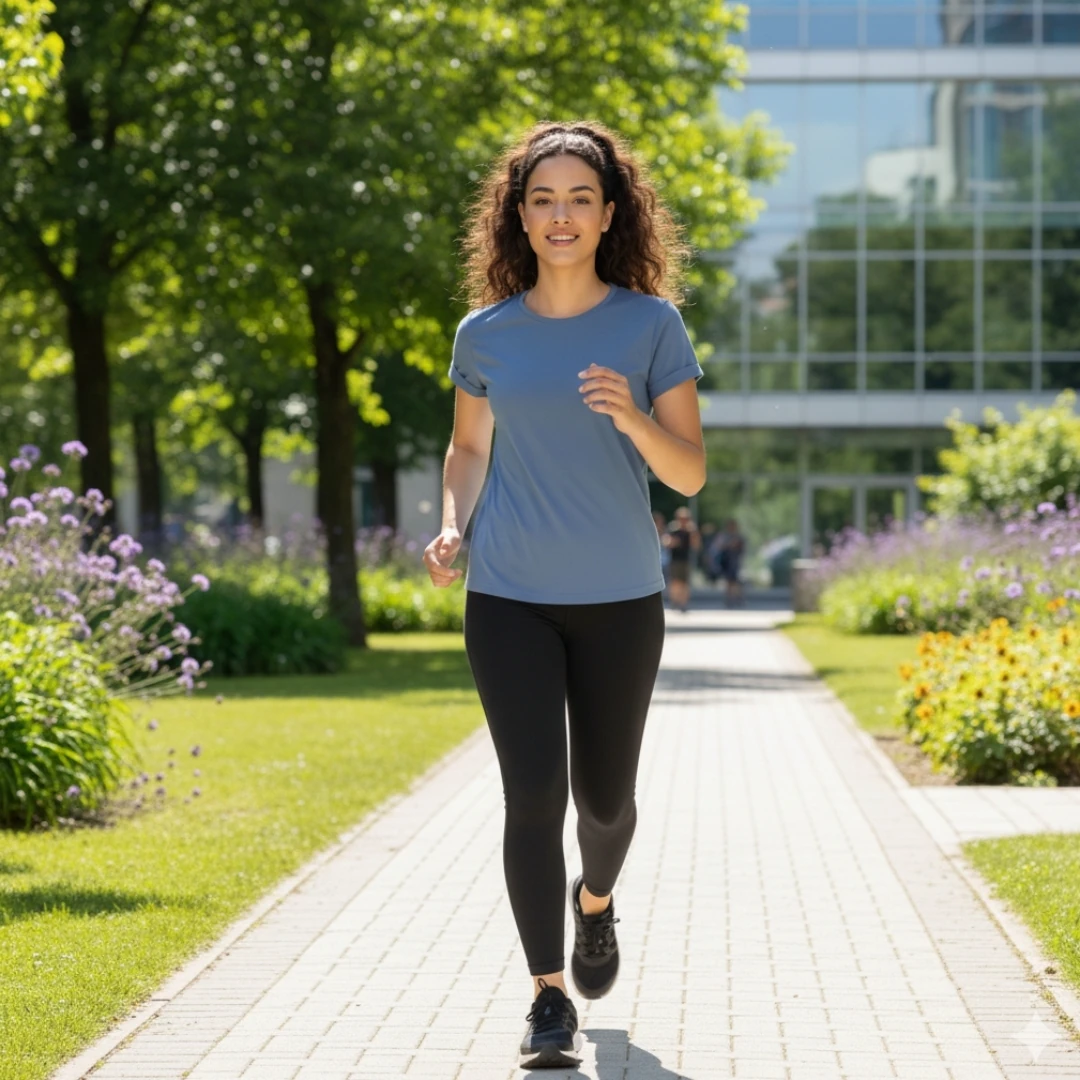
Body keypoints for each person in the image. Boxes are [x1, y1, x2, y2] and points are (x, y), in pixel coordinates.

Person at [422, 121, 705, 1069]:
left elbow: (692, 473)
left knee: (605, 803)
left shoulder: (650, 324)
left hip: (621, 595)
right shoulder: (485, 334)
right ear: (518, 213)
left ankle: (597, 903)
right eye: (542, 198)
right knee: (532, 794)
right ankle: (548, 997)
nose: (560, 215)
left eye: (580, 198)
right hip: (508, 594)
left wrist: (630, 413)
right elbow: (467, 449)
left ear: (610, 213)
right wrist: (454, 521)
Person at [664, 506, 700, 613]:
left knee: (685, 583)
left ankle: (683, 603)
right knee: (675, 582)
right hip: (675, 559)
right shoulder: (673, 528)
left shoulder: (691, 530)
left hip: (685, 560)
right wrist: (673, 542)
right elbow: (666, 542)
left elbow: (696, 545)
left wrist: (694, 532)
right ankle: (675, 601)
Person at [715, 517, 746, 608]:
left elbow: (742, 547)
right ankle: (729, 599)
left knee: (735, 581)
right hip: (726, 561)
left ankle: (737, 598)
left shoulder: (738, 536)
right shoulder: (724, 536)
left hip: (735, 561)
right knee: (728, 581)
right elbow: (719, 546)